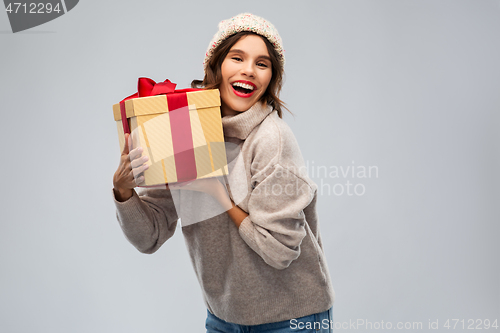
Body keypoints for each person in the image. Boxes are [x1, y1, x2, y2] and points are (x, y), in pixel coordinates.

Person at [112, 13, 335, 333]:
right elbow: (149, 237)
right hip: (223, 319)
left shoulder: (271, 139)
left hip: (290, 320)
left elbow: (280, 250)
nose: (248, 69)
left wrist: (218, 194)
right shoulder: (182, 130)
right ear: (216, 66)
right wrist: (123, 192)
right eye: (237, 57)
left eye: (262, 63)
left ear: (270, 78)